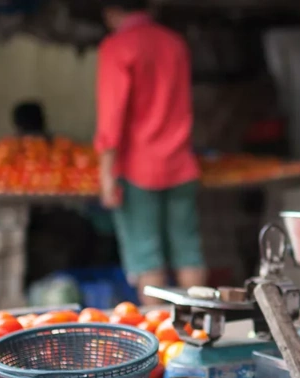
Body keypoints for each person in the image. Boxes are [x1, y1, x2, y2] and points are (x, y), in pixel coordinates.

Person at [95, 0, 204, 294]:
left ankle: (160, 335)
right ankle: (200, 330)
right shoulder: (174, 43)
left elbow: (111, 117)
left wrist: (106, 175)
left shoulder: (117, 47)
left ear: (111, 11)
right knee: (188, 252)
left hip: (138, 168)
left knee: (146, 258)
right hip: (181, 163)